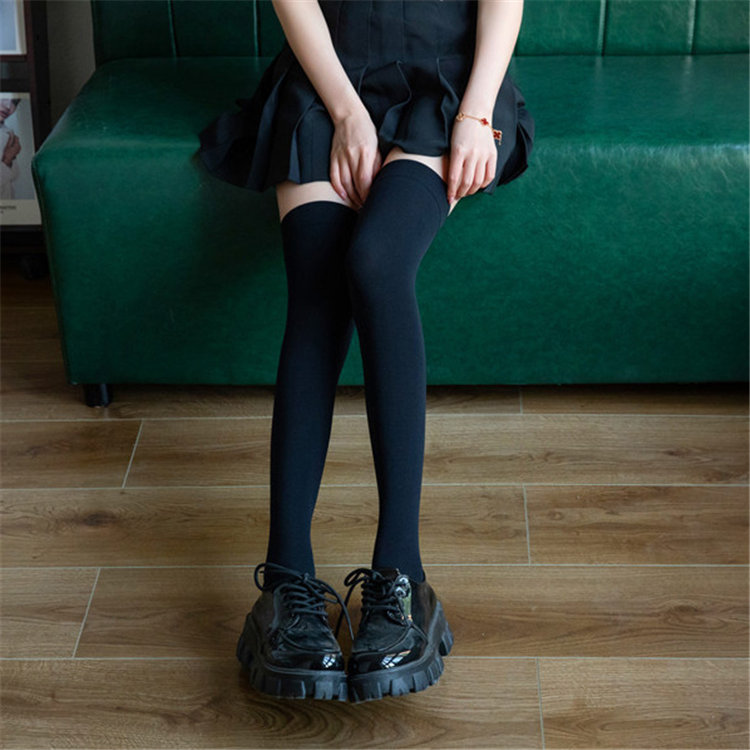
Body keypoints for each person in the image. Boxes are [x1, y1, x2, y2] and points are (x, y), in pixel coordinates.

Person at [196, 0, 534, 703]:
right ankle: (286, 580)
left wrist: (476, 113)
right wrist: (347, 113)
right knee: (317, 289)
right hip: (328, 78)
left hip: (446, 81)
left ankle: (401, 577)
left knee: (376, 263)